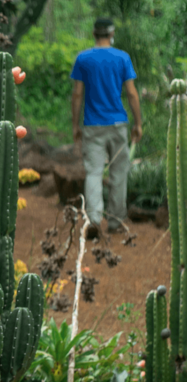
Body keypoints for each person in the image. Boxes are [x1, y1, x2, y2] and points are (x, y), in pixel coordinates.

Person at [70, 17, 142, 238]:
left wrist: (75, 124)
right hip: (118, 123)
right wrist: (138, 123)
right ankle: (115, 221)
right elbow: (131, 92)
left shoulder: (83, 58)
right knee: (119, 173)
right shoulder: (122, 58)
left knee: (93, 172)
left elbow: (77, 94)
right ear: (111, 35)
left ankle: (93, 219)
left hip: (92, 125)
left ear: (94, 34)